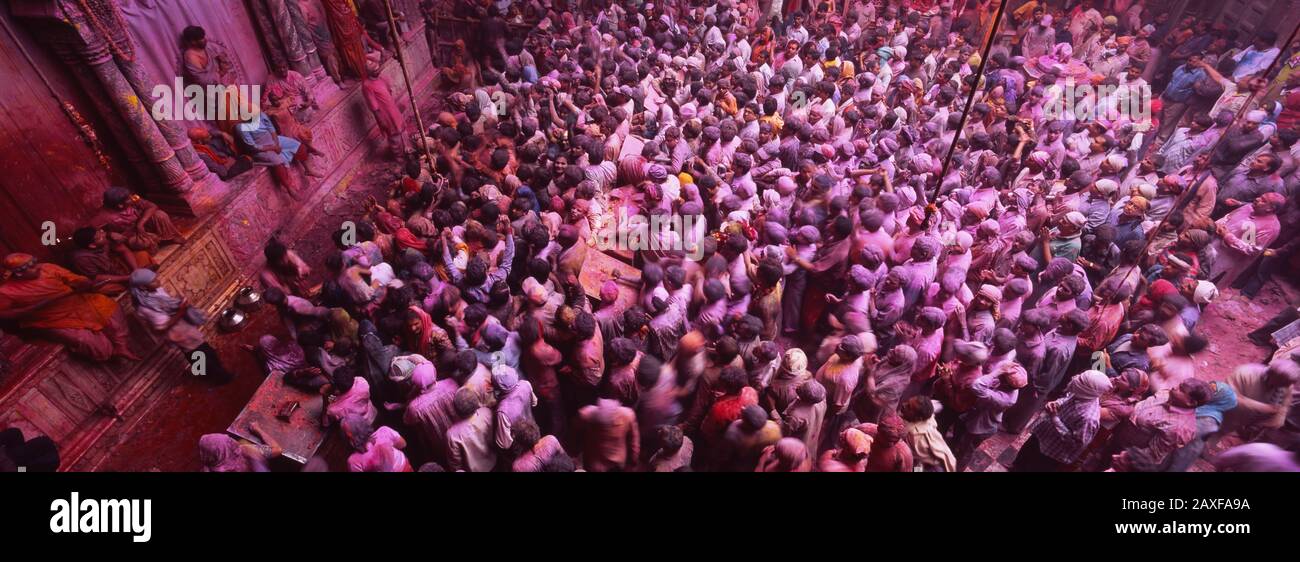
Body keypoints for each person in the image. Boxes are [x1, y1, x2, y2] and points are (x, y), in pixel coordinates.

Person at [0, 253, 135, 361]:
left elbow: (77, 280)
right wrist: (36, 307)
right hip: (52, 319)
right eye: (31, 267)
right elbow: (4, 314)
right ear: (18, 273)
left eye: (35, 263)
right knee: (93, 345)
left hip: (77, 301)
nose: (38, 268)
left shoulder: (48, 268)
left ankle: (121, 346)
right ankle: (110, 352)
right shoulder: (6, 291)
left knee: (111, 308)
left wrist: (85, 283)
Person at [128, 268, 232, 383]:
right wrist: (181, 311)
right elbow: (162, 327)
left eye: (156, 278)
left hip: (182, 327)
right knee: (200, 353)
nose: (158, 281)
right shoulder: (146, 307)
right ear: (143, 287)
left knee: (201, 350)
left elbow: (167, 305)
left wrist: (178, 304)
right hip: (177, 332)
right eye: (153, 281)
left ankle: (204, 374)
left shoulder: (156, 291)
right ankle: (220, 378)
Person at [1012, 371, 1111, 472]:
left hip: (1052, 450)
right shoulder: (1082, 392)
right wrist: (1056, 403)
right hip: (1043, 433)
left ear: (1090, 389)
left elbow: (1075, 443)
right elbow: (1067, 397)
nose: (1075, 378)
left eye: (1081, 380)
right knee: (1024, 456)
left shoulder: (1089, 418)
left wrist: (1055, 418)